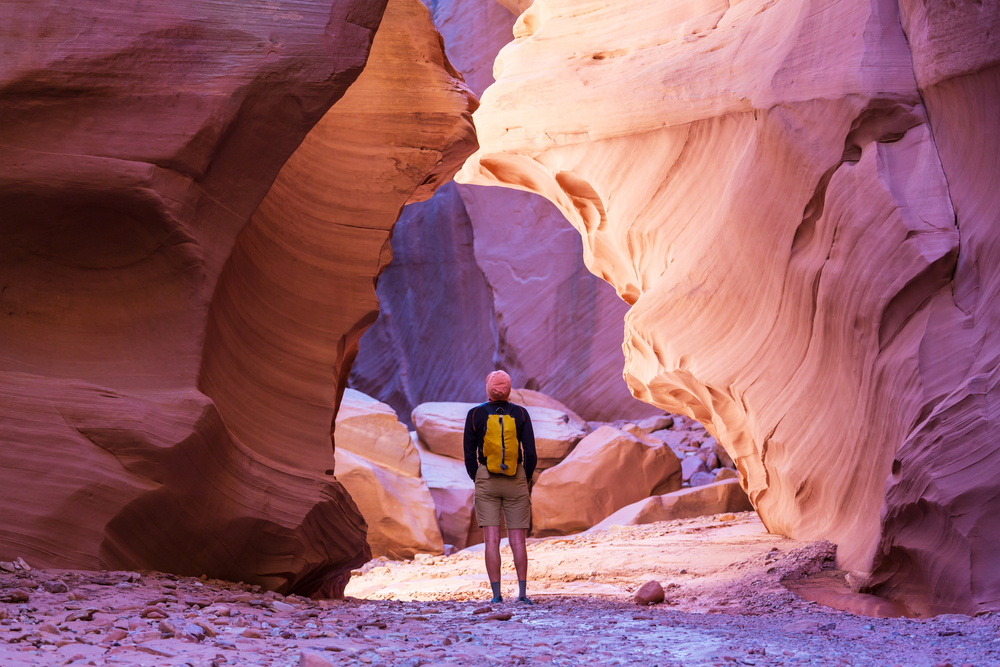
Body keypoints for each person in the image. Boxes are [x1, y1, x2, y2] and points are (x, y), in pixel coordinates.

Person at [463, 370, 537, 604]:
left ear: (488, 388)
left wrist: (478, 475)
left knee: (491, 539)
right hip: (515, 477)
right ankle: (522, 594)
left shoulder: (475, 414)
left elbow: (468, 453)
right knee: (517, 540)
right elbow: (530, 452)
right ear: (509, 388)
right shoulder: (521, 413)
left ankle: (496, 595)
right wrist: (524, 478)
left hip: (487, 478)